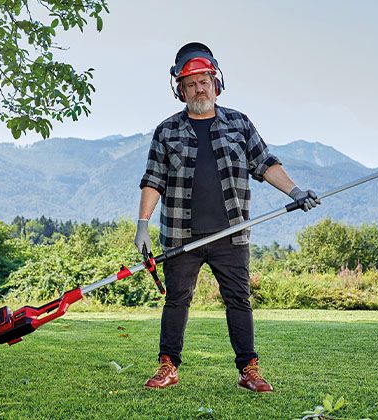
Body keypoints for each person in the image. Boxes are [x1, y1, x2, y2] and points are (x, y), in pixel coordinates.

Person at [134, 42, 320, 393]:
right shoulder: (167, 131)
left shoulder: (238, 123)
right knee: (177, 300)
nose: (198, 89)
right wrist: (143, 223)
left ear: (216, 84)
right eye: (190, 84)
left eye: (204, 81)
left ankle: (248, 369)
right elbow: (153, 180)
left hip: (231, 234)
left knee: (238, 299)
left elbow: (265, 163)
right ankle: (168, 366)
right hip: (180, 235)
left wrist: (295, 192)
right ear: (180, 91)